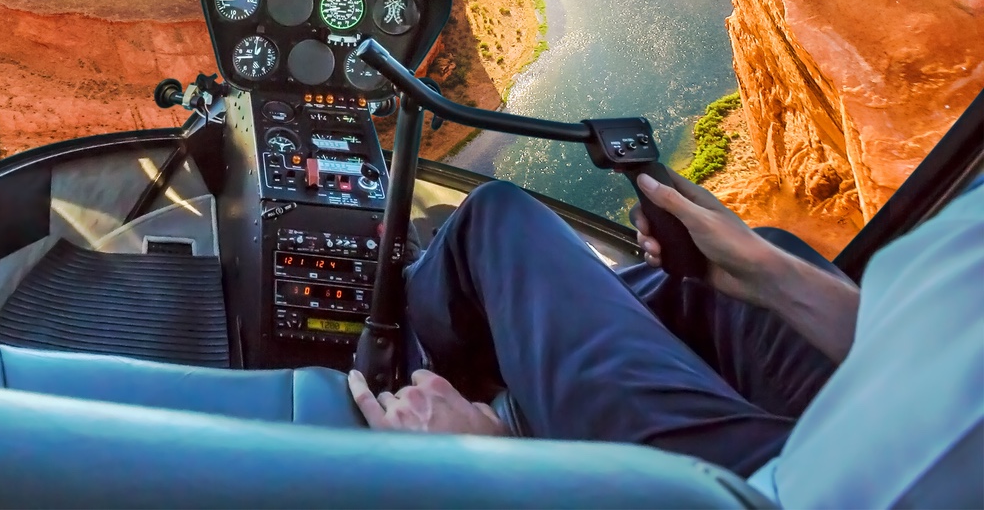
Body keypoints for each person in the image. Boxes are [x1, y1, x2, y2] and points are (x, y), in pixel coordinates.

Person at [347, 171, 984, 508]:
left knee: (498, 218)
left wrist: (496, 467)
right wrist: (768, 275)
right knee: (755, 264)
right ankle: (545, 382)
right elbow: (943, 345)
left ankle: (422, 363)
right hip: (885, 413)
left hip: (768, 490)